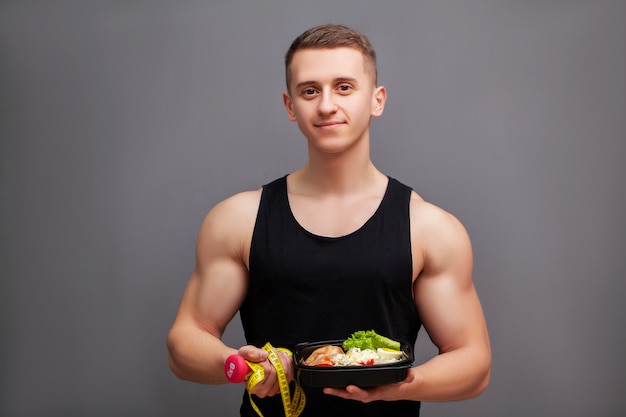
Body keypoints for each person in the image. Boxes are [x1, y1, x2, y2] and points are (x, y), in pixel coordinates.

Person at [167, 23, 491, 416]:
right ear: (290, 106)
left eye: (344, 87)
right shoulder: (239, 220)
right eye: (310, 91)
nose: (325, 105)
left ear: (377, 100)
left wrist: (403, 386)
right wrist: (241, 367)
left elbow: (474, 363)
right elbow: (184, 344)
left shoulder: (429, 229)